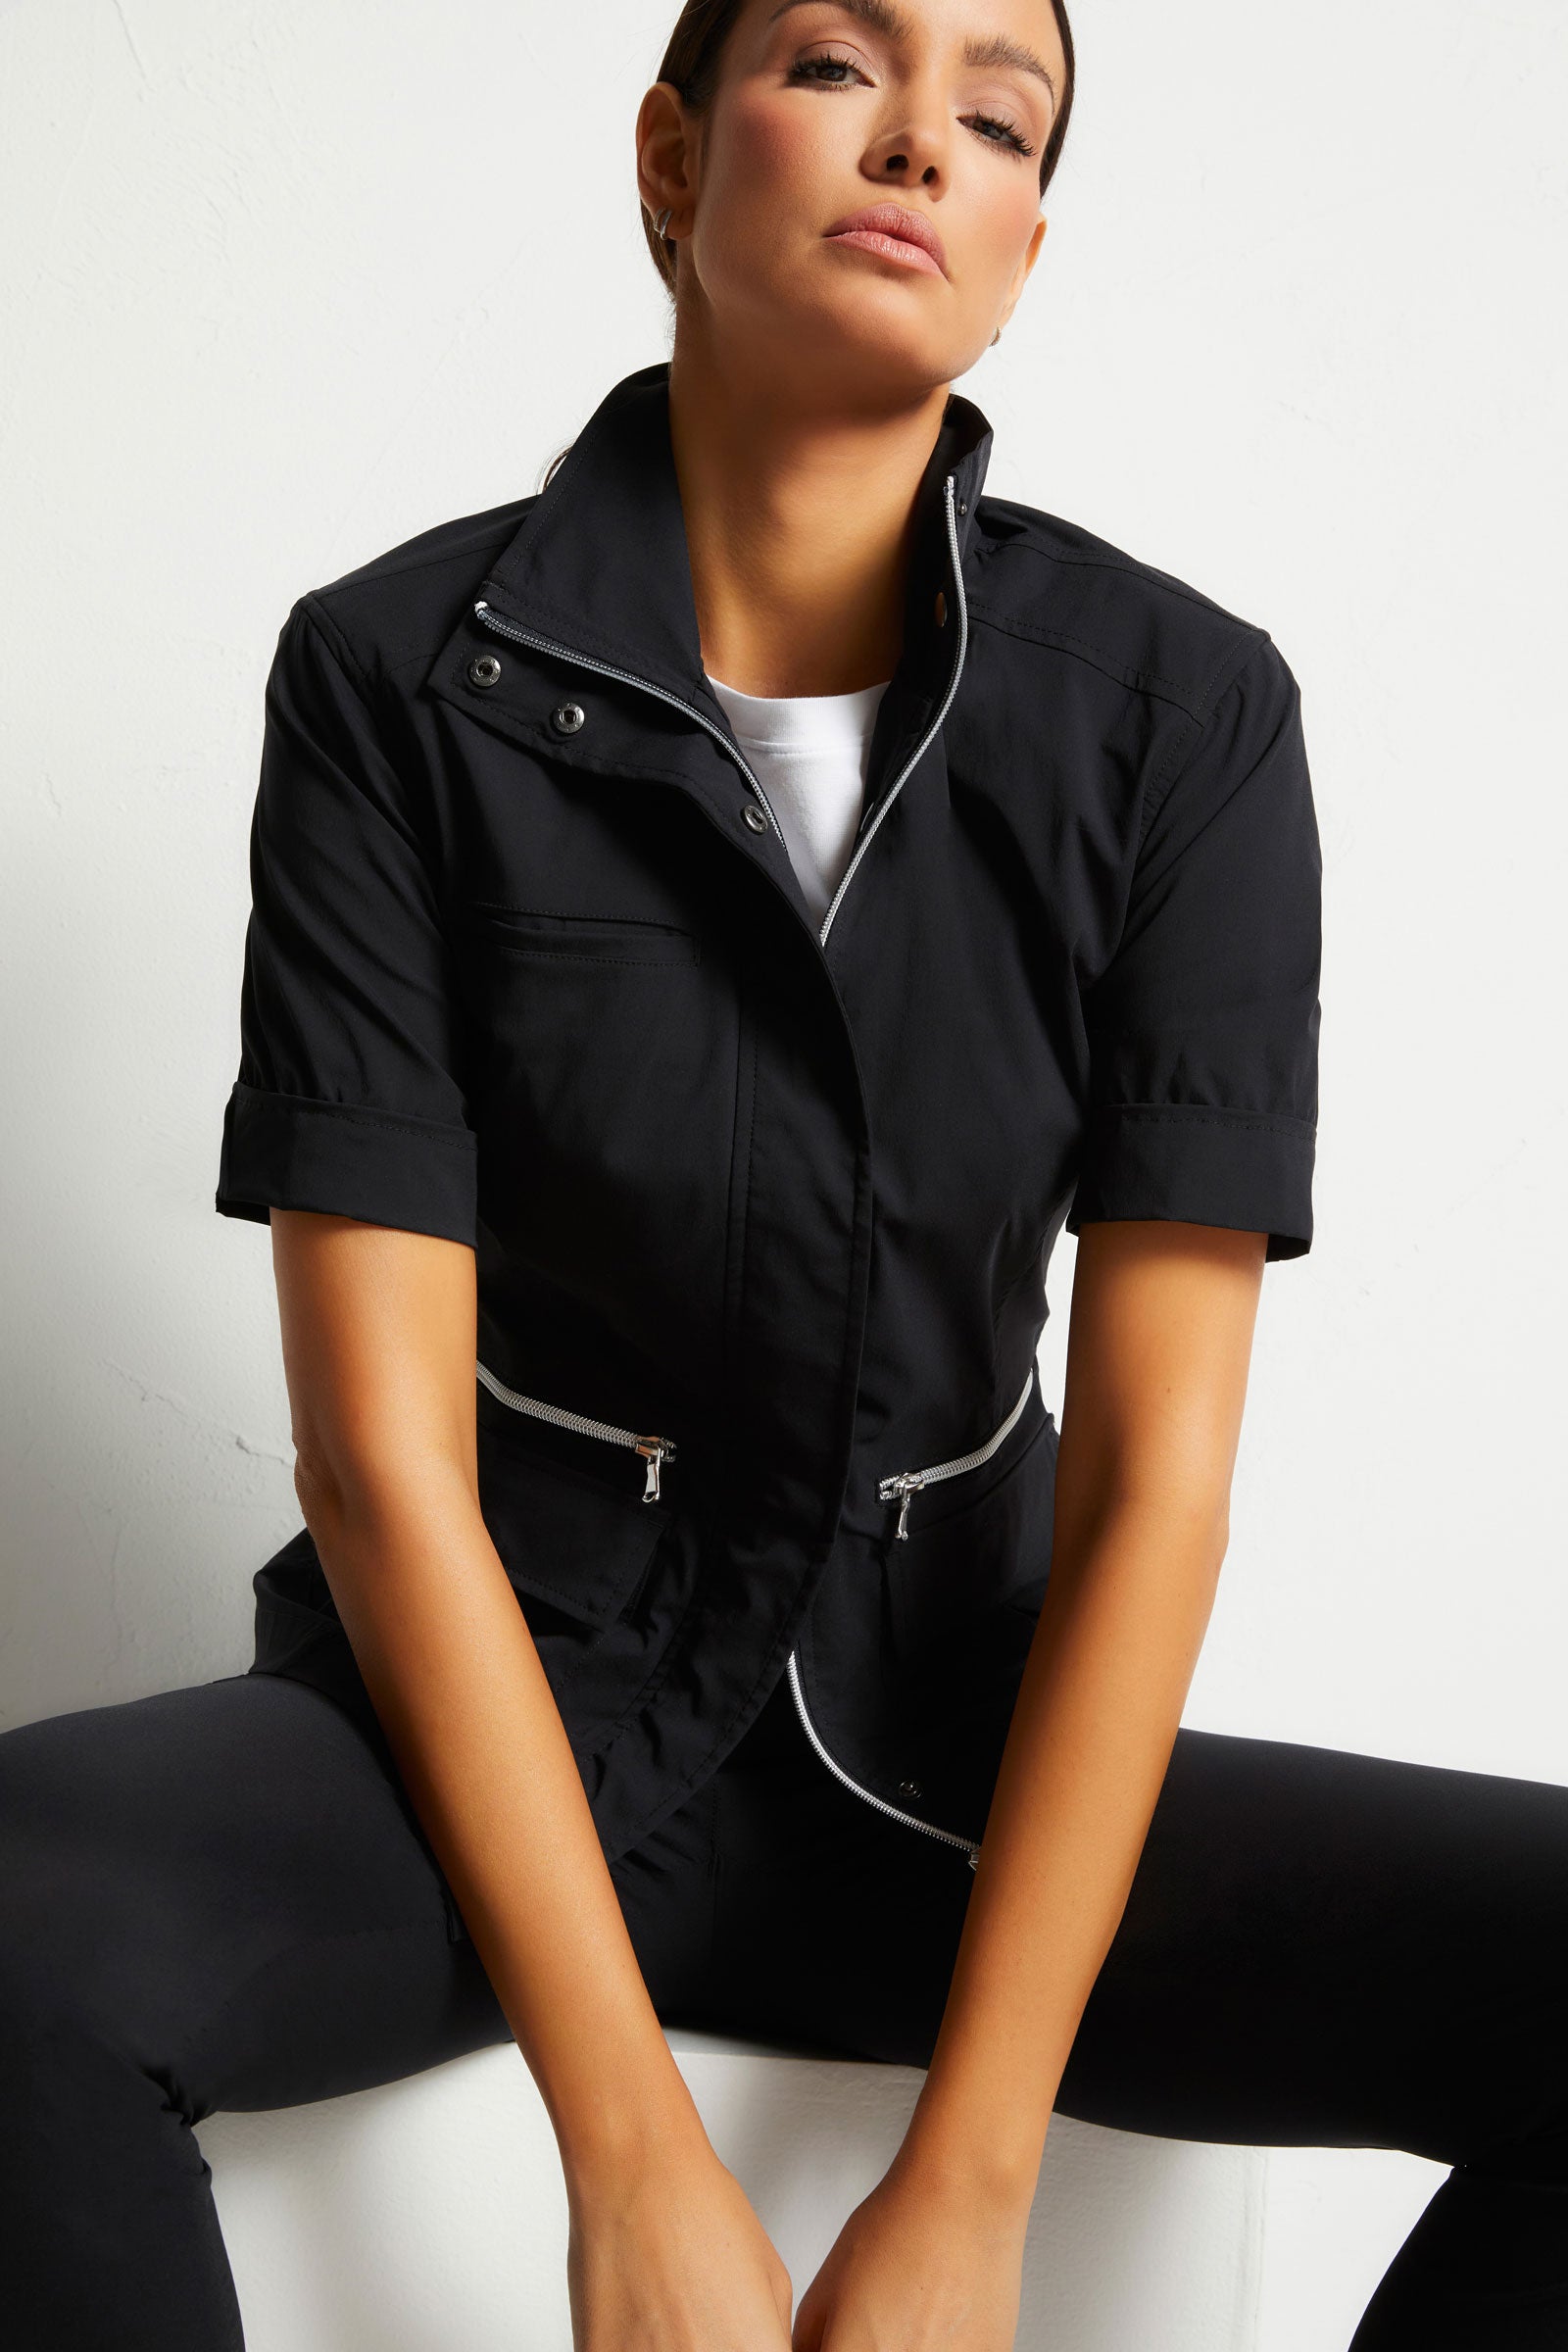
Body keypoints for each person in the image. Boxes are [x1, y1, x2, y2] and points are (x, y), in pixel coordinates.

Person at [3, 2, 1565, 2345]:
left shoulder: (1178, 714)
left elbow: (1157, 1484)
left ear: (1023, 250)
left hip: (959, 1761)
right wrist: (630, 2165)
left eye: (998, 115)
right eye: (837, 64)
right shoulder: (391, 677)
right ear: (670, 155)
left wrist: (971, 2181)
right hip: (503, 1731)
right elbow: (379, 1459)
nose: (921, 136)